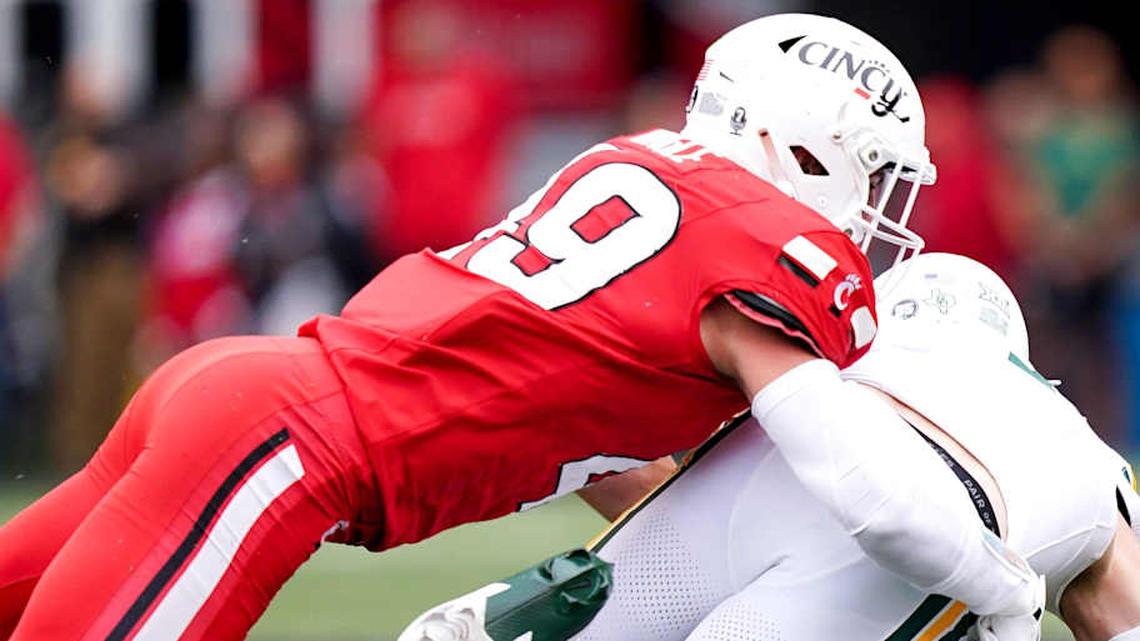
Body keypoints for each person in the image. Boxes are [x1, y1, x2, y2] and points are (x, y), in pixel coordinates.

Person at [0, 14, 1039, 641]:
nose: (875, 210)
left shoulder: (639, 163)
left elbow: (570, 408)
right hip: (281, 446)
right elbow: (874, 492)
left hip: (242, 391)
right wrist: (1002, 584)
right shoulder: (763, 262)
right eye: (870, 170)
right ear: (793, 141)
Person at [397, 253, 1140, 641]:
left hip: (774, 481)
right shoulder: (1074, 444)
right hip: (942, 540)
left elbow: (669, 479)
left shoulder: (843, 362)